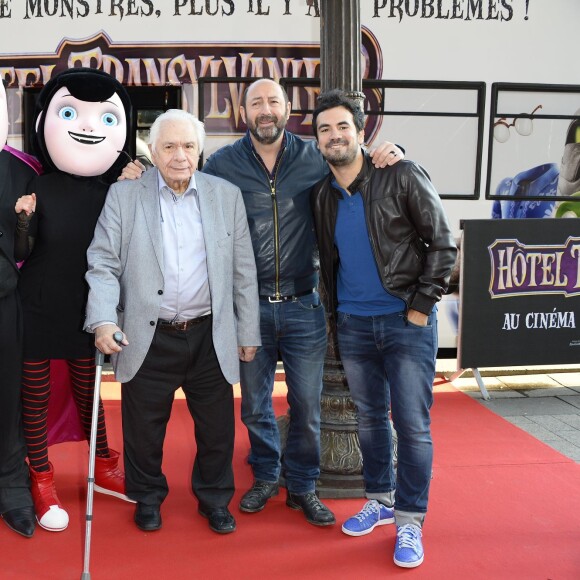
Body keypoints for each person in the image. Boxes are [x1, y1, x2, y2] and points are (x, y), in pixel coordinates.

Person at [121, 78, 403, 526]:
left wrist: (393, 151)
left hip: (303, 303)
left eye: (274, 101)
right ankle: (267, 476)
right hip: (245, 307)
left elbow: (357, 164)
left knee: (307, 406)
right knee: (254, 405)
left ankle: (304, 487)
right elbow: (179, 179)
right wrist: (137, 170)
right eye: (257, 102)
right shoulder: (223, 163)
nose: (266, 109)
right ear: (243, 111)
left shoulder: (315, 157)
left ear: (288, 108)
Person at [84, 109, 261, 535]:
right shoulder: (124, 196)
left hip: (209, 334)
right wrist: (104, 319)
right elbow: (103, 263)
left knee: (217, 430)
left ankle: (215, 499)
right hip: (147, 334)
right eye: (169, 146)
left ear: (200, 150)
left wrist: (247, 329)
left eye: (188, 146)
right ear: (153, 151)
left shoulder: (225, 195)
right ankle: (147, 498)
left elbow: (243, 269)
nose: (179, 155)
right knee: (144, 431)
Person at [310, 90, 456, 568]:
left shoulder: (400, 174)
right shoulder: (321, 195)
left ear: (360, 131)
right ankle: (380, 499)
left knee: (411, 426)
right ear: (317, 141)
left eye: (342, 127)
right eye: (324, 130)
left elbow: (442, 243)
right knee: (369, 420)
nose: (334, 136)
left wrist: (420, 306)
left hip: (405, 322)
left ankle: (410, 522)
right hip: (352, 324)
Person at [14, 68, 134, 532]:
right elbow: (23, 253)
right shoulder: (39, 185)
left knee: (91, 394)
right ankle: (41, 476)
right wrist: (24, 222)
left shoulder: (115, 192)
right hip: (39, 307)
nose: (84, 128)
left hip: (90, 312)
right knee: (37, 397)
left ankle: (104, 462)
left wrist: (136, 179)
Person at [0, 78, 37, 538]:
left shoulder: (22, 170)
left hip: (5, 303)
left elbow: (32, 248)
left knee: (8, 398)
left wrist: (26, 221)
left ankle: (11, 485)